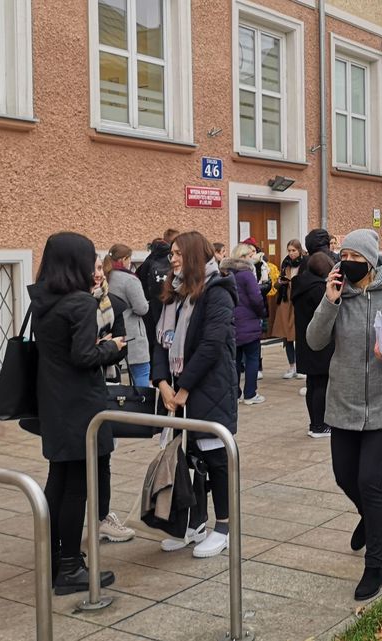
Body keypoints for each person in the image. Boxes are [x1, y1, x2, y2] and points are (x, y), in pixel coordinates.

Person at [307, 229, 382, 601]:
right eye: (344, 256)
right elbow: (314, 340)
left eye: (355, 257)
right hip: (343, 402)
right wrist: (330, 301)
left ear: (371, 261)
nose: (348, 263)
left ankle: (376, 564)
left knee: (370, 481)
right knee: (345, 477)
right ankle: (367, 518)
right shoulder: (338, 293)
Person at [30, 232, 125, 595]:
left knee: (58, 480)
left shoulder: (41, 300)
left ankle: (54, 558)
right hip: (81, 406)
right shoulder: (80, 304)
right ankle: (70, 565)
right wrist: (112, 348)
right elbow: (84, 357)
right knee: (76, 489)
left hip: (53, 402)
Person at [152, 231, 240, 559]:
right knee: (187, 459)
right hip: (176, 392)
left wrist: (184, 387)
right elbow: (160, 342)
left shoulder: (217, 293)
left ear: (193, 256)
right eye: (171, 253)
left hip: (209, 390)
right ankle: (194, 523)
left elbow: (212, 344)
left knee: (215, 460)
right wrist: (163, 384)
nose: (171, 259)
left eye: (177, 253)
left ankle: (224, 528)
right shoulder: (174, 295)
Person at [293, 252, 336, 438]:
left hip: (304, 340)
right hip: (320, 342)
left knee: (312, 383)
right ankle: (320, 425)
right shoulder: (319, 289)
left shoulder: (300, 285)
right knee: (321, 384)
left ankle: (314, 423)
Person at [222, 243, 268, 405]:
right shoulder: (247, 274)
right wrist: (262, 312)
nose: (252, 258)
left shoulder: (228, 274)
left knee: (235, 360)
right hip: (249, 322)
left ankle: (235, 393)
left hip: (233, 322)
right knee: (252, 359)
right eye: (250, 255)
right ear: (242, 257)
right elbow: (256, 298)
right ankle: (250, 393)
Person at [104, 244, 151, 388]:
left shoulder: (107, 276)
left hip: (111, 335)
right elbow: (141, 308)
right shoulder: (129, 279)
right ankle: (141, 407)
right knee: (141, 371)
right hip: (133, 336)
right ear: (125, 259)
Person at [135, 228, 178, 351]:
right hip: (169, 307)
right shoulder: (173, 260)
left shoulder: (151, 258)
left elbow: (140, 278)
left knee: (154, 346)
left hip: (151, 308)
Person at [273, 239, 305, 379]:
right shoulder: (285, 264)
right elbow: (277, 283)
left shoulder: (305, 264)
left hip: (299, 302)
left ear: (299, 250)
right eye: (289, 250)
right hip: (286, 303)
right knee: (287, 336)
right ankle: (292, 366)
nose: (291, 253)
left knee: (299, 335)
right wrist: (281, 282)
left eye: (294, 250)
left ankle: (301, 366)